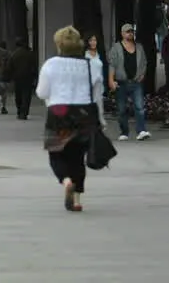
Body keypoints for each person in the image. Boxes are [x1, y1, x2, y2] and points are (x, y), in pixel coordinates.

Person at [37, 25, 104, 212]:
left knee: (56, 153)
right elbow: (97, 94)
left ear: (59, 44)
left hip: (59, 111)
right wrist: (100, 120)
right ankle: (76, 199)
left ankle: (65, 180)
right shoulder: (90, 65)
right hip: (83, 112)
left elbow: (42, 93)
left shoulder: (50, 64)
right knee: (77, 157)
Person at [105, 23, 150, 141]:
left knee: (139, 107)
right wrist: (111, 80)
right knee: (121, 108)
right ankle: (124, 131)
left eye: (131, 31)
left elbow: (144, 62)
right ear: (122, 33)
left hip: (136, 82)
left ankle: (141, 130)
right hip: (121, 82)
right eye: (127, 31)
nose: (130, 33)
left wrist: (142, 75)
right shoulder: (116, 47)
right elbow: (112, 65)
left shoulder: (139, 47)